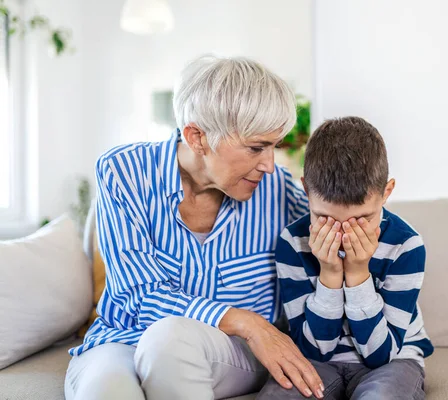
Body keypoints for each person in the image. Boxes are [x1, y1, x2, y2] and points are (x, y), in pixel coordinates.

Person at [64, 56, 326, 400]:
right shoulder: (123, 171)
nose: (269, 165)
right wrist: (248, 321)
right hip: (123, 340)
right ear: (197, 137)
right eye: (256, 147)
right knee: (106, 392)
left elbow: (347, 226)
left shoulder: (278, 190)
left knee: (169, 340)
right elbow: (135, 295)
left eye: (274, 146)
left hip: (230, 352)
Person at [258, 116, 434, 400]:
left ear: (386, 192)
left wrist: (357, 274)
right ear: (306, 189)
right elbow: (314, 350)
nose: (342, 235)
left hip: (393, 361)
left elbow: (380, 354)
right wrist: (328, 275)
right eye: (324, 218)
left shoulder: (406, 245)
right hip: (317, 361)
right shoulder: (293, 243)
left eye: (362, 219)